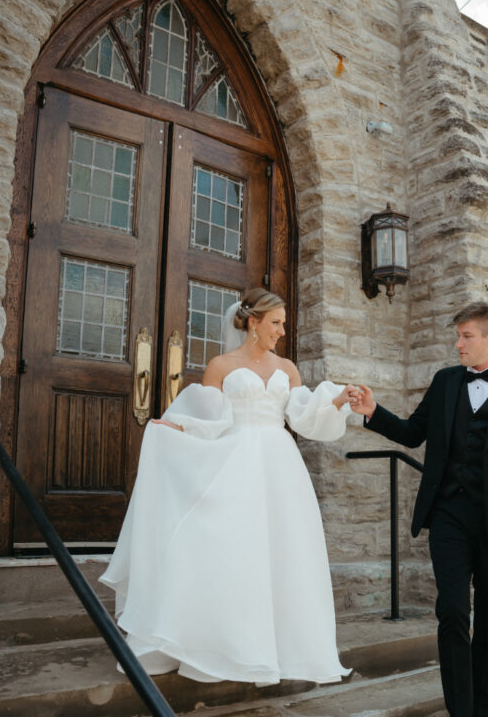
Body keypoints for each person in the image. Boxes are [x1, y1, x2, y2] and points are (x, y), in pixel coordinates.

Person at [100, 288, 352, 685]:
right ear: (253, 322)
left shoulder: (287, 368)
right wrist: (176, 427)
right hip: (234, 459)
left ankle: (281, 647)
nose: (282, 331)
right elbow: (212, 419)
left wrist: (337, 401)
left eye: (283, 323)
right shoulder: (220, 366)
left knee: (284, 549)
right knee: (228, 548)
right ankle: (218, 642)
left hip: (280, 466)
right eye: (276, 323)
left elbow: (302, 415)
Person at [348, 302, 488, 717]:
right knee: (453, 612)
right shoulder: (444, 382)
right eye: (457, 337)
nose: (457, 344)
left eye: (465, 336)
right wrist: (374, 411)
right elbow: (413, 433)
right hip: (450, 518)